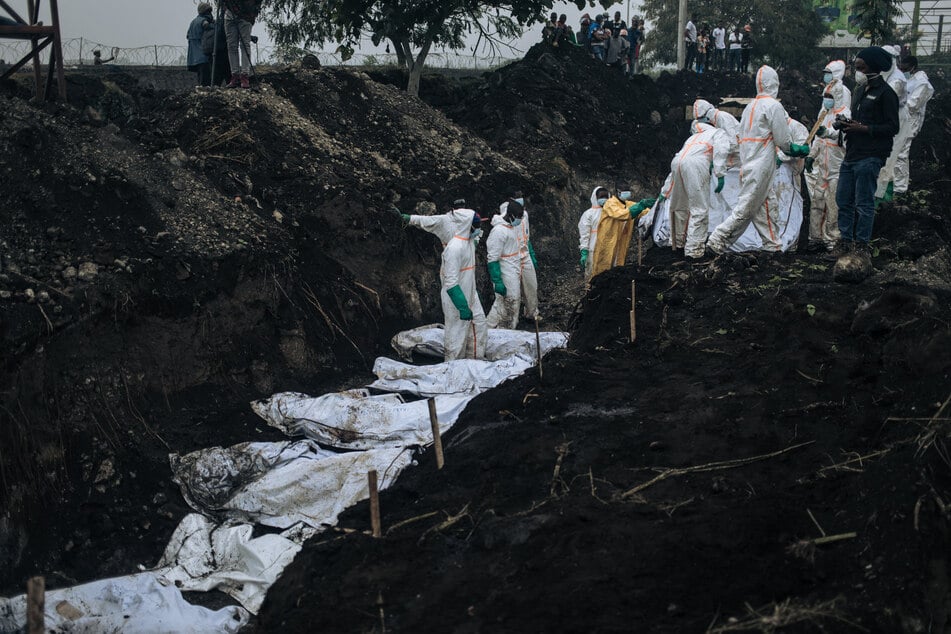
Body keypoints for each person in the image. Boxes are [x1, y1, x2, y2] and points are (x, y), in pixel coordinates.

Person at [706, 66, 810, 255]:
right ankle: (717, 241)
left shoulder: (750, 107)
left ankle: (772, 246)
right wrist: (797, 149)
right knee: (746, 208)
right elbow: (783, 140)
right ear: (775, 84)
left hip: (750, 164)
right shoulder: (773, 106)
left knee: (767, 205)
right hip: (761, 166)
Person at [397, 201, 488, 360]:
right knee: (456, 336)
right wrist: (462, 307)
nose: (479, 230)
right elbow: (451, 283)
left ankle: (474, 364)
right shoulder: (453, 249)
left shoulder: (468, 243)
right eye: (477, 226)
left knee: (479, 327)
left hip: (469, 294)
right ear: (468, 226)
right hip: (457, 299)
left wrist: (472, 293)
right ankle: (452, 368)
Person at [834, 47, 900, 256]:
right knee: (843, 200)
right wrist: (848, 124)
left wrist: (864, 129)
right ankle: (845, 242)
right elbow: (859, 118)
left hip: (871, 155)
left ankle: (862, 246)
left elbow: (892, 127)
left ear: (871, 64)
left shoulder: (886, 94)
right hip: (852, 152)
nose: (856, 67)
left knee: (864, 203)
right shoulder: (860, 90)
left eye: (859, 64)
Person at [667, 121, 730, 259]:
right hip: (696, 164)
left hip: (677, 162)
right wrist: (720, 173)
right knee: (699, 208)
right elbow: (722, 150)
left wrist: (665, 191)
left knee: (680, 204)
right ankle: (693, 251)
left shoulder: (692, 138)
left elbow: (677, 166)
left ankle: (677, 244)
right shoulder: (718, 133)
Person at [804, 81, 849, 251]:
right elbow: (817, 137)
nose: (827, 100)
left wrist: (828, 133)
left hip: (837, 168)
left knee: (833, 205)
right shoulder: (824, 114)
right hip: (823, 167)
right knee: (817, 203)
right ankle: (815, 238)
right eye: (825, 96)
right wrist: (811, 156)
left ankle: (833, 240)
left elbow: (844, 139)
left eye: (830, 97)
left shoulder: (845, 114)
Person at [590, 184, 653, 277]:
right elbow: (620, 214)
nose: (627, 193)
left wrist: (656, 205)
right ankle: (594, 287)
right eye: (624, 191)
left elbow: (644, 211)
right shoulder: (610, 203)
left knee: (617, 267)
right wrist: (640, 205)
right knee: (603, 266)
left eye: (628, 191)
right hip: (608, 241)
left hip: (621, 241)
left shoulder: (628, 204)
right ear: (617, 192)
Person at [892, 56, 934, 195]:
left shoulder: (923, 83)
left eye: (905, 69)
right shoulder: (909, 80)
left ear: (913, 67)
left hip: (910, 122)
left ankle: (900, 188)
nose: (902, 71)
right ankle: (893, 183)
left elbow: (913, 105)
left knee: (901, 154)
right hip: (900, 120)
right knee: (894, 153)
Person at [874, 44, 910, 202]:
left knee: (890, 155)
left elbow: (886, 98)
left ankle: (883, 194)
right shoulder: (885, 74)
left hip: (896, 116)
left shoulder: (897, 79)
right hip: (886, 114)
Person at [486, 200, 525, 329]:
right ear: (511, 215)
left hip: (513, 269)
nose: (520, 220)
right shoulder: (498, 232)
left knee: (503, 303)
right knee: (510, 302)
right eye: (519, 217)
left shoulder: (511, 227)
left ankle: (490, 328)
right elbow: (492, 258)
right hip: (505, 272)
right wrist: (497, 280)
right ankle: (505, 330)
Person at [510, 192, 540, 321]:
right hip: (511, 257)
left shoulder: (524, 215)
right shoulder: (505, 216)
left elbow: (526, 235)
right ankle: (512, 319)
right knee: (513, 292)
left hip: (525, 254)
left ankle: (532, 312)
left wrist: (531, 252)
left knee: (531, 285)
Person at [222, 0, 262, 89]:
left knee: (244, 45)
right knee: (231, 46)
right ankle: (235, 76)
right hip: (230, 15)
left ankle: (245, 75)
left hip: (246, 16)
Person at [578, 187, 608, 281]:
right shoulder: (588, 214)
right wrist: (584, 250)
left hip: (607, 247)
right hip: (592, 248)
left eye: (606, 196)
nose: (604, 199)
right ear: (595, 197)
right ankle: (589, 291)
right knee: (591, 273)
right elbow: (584, 233)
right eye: (601, 197)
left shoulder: (610, 212)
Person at [187, 3, 214, 86]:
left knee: (200, 77)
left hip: (194, 55)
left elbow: (187, 35)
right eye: (209, 12)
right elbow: (206, 26)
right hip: (203, 54)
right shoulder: (203, 21)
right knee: (205, 79)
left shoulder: (193, 22)